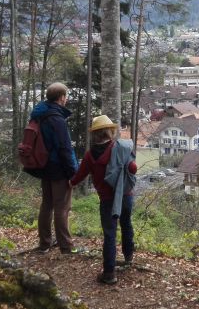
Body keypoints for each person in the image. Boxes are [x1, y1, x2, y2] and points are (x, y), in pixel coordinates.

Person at [70, 115, 137, 284]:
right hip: (125, 195)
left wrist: (70, 183)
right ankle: (128, 257)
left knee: (109, 234)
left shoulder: (90, 155)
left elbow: (80, 175)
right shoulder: (120, 148)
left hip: (107, 200)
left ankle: (109, 273)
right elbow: (133, 168)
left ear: (95, 134)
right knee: (127, 224)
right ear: (110, 131)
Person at [25, 82, 80, 254]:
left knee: (46, 205)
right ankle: (66, 245)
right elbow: (64, 148)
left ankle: (44, 243)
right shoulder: (57, 119)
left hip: (43, 166)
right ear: (62, 97)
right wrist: (73, 172)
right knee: (62, 207)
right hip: (58, 168)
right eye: (66, 96)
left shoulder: (39, 115)